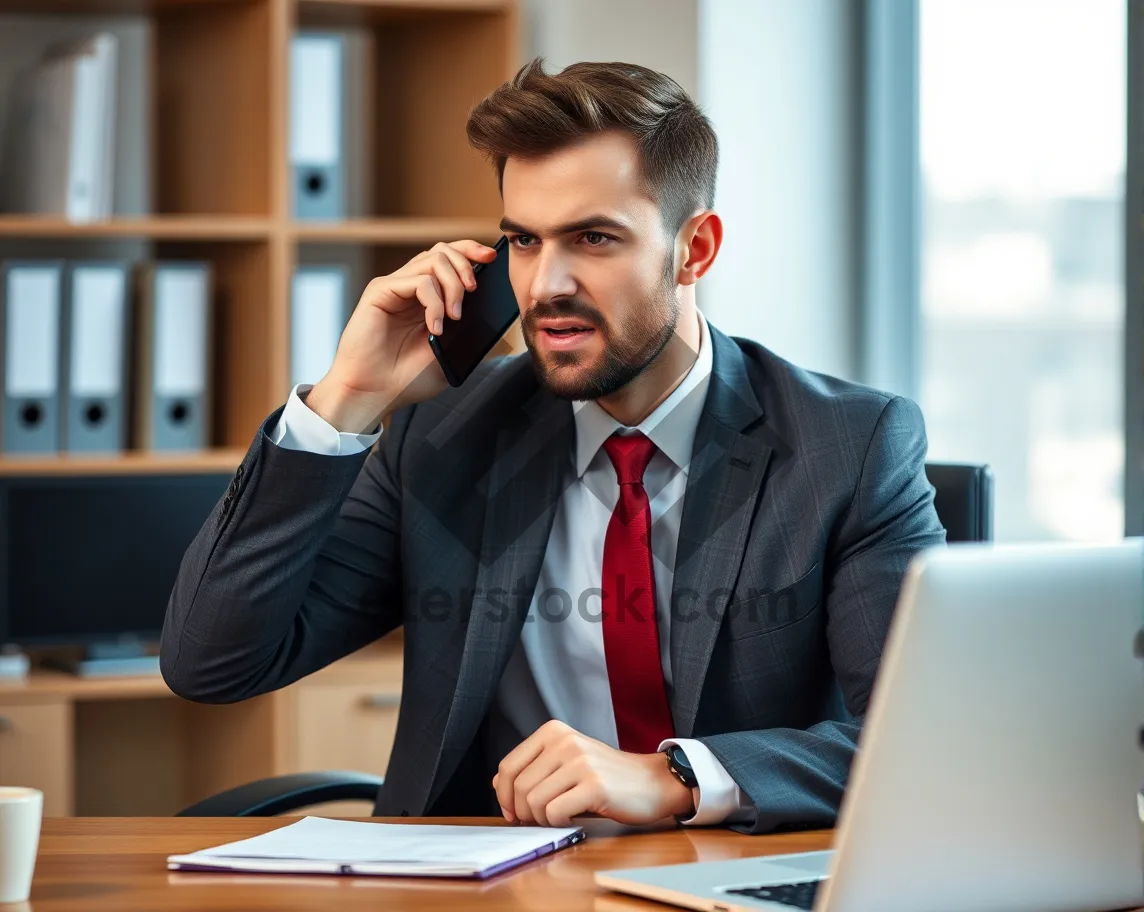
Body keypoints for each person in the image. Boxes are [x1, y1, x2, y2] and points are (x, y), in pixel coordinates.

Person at [161, 57, 946, 833]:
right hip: (494, 888)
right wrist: (347, 399)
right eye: (525, 242)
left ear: (694, 250)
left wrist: (676, 777)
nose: (545, 287)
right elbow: (215, 661)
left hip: (727, 882)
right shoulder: (446, 434)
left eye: (594, 238)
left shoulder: (847, 448)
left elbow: (918, 748)